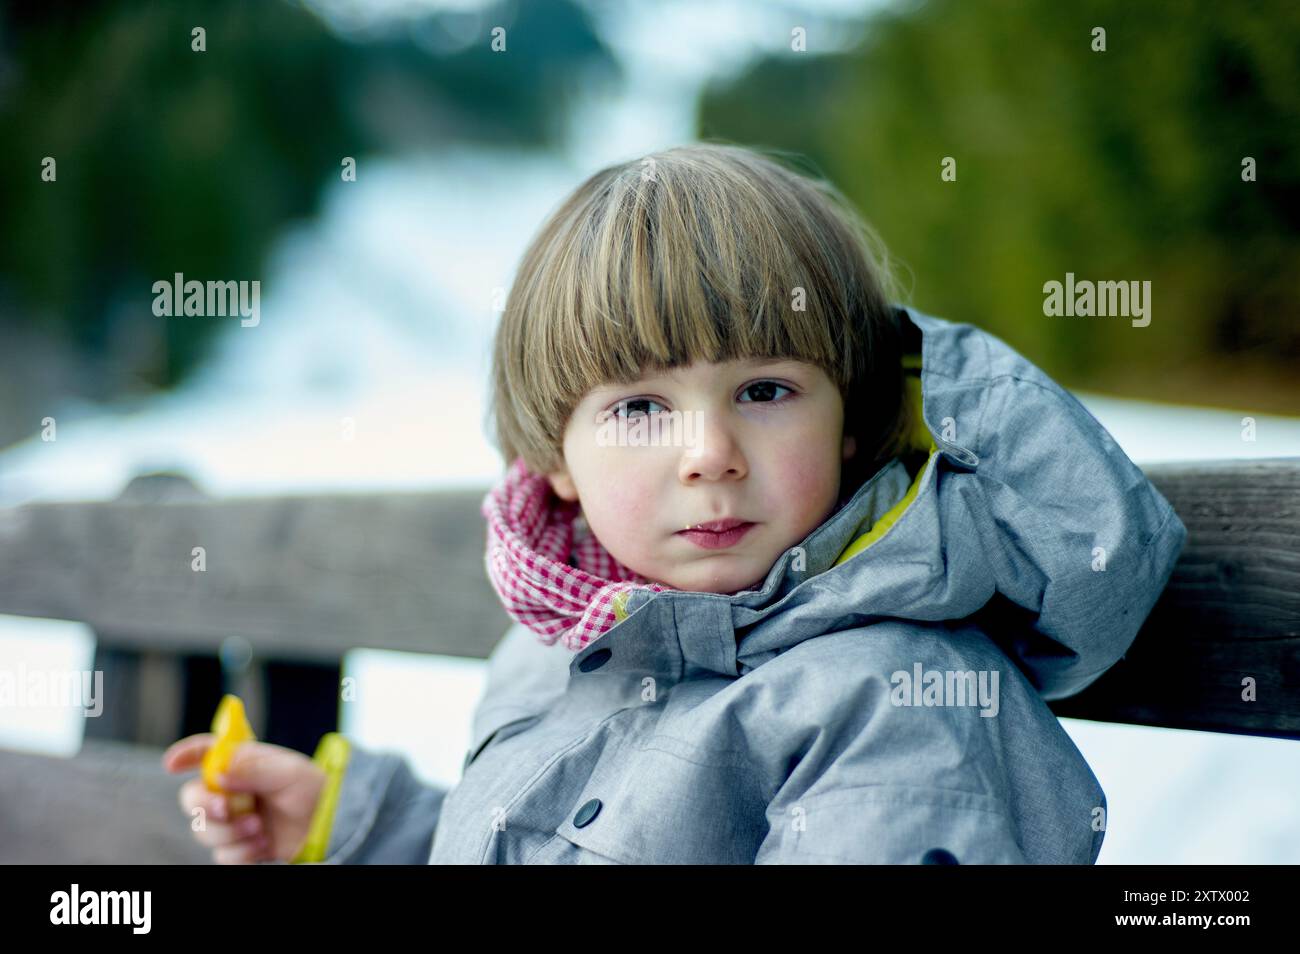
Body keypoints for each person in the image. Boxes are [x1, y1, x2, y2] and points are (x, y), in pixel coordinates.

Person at [164, 142, 1187, 864]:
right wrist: (356, 830)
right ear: (551, 455)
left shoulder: (896, 702)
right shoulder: (559, 652)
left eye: (765, 390)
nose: (709, 453)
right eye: (641, 406)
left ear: (852, 417)